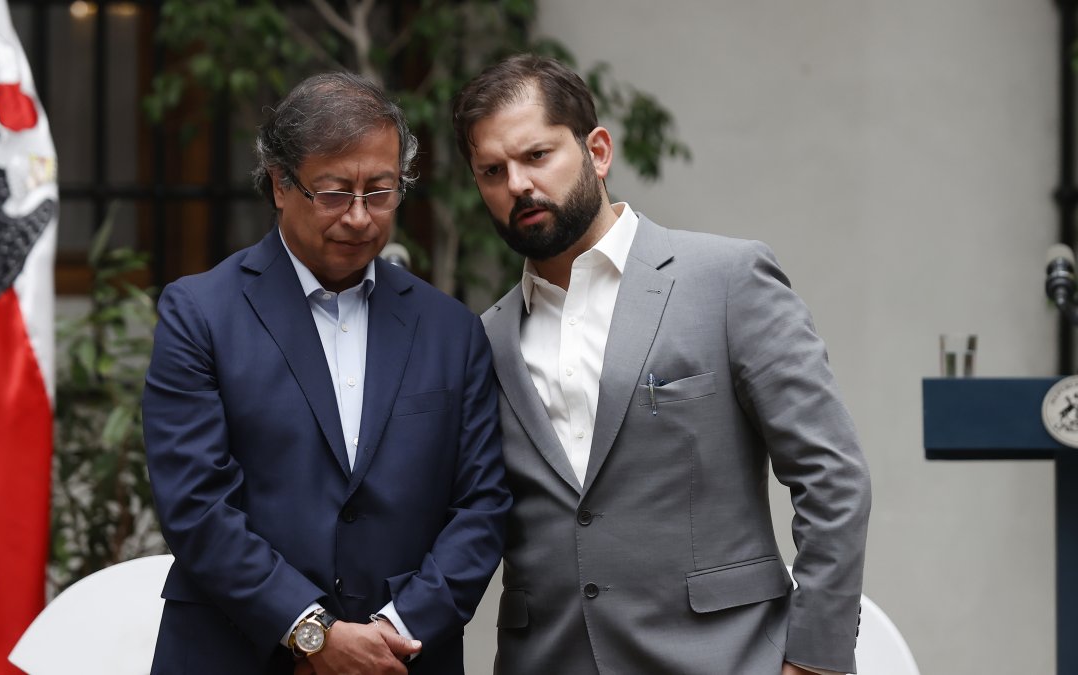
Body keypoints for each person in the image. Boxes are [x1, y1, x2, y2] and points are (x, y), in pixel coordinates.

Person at [452, 55, 871, 675]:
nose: (516, 185)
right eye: (493, 171)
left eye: (536, 156)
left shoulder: (725, 281)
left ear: (597, 151)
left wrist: (815, 660)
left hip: (726, 657)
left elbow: (832, 476)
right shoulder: (484, 338)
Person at [143, 72, 510, 675]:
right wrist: (310, 632)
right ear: (280, 185)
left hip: (403, 660)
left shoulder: (452, 329)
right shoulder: (200, 314)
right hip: (234, 650)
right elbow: (196, 505)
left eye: (382, 191)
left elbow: (482, 505)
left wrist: (396, 630)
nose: (361, 218)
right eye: (336, 193)